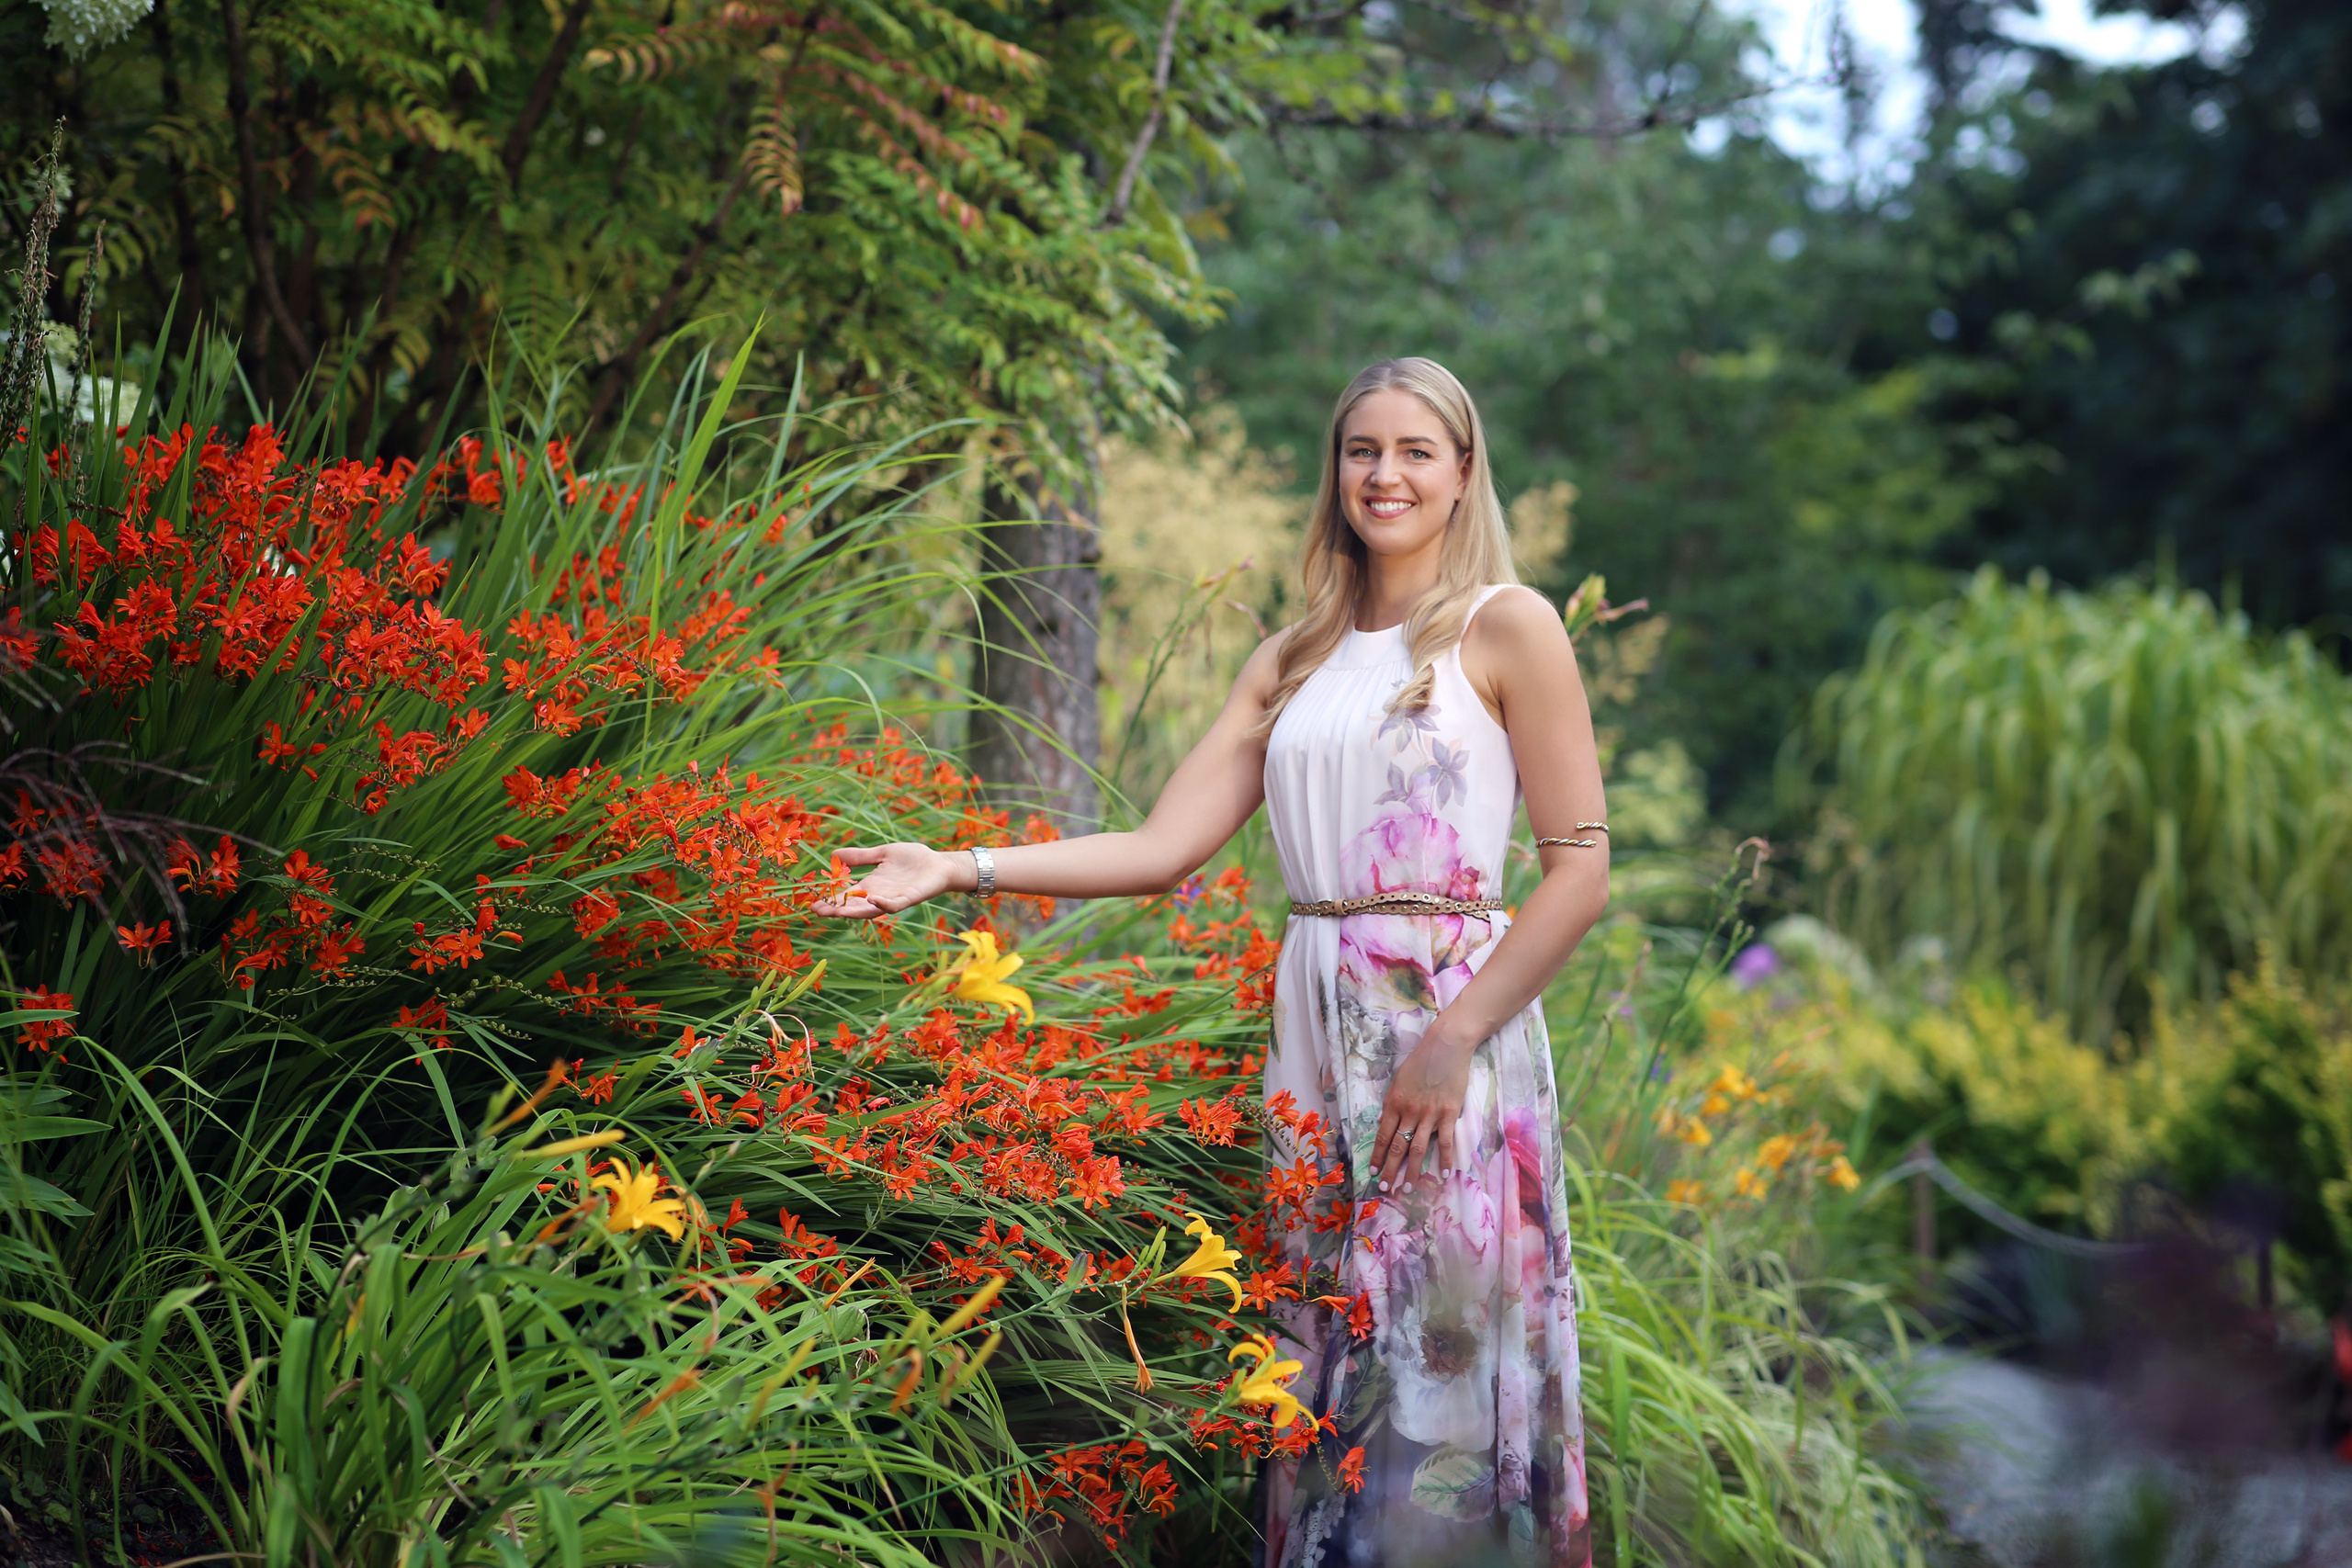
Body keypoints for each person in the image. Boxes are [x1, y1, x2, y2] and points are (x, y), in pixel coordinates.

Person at [816, 356, 1606, 1568]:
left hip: (1451, 1027)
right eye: (1361, 451)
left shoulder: (1506, 627)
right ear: (1335, 471)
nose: (1383, 474)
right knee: (1322, 1341)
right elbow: (1157, 847)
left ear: (1461, 475)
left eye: (1414, 453)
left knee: (1437, 1345)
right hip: (1313, 1025)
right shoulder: (1294, 655)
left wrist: (1452, 1040)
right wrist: (957, 865)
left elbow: (1582, 871)